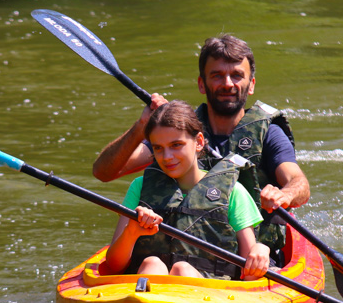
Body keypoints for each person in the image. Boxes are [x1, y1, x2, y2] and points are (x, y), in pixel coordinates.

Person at [93, 34, 309, 264]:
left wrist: (284, 194)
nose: (227, 83)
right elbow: (105, 172)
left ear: (251, 84)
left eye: (236, 75)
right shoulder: (178, 133)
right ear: (201, 84)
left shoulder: (268, 133)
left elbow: (299, 183)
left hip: (252, 252)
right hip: (173, 252)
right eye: (217, 75)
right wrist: (142, 126)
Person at [102, 100, 270, 281]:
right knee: (152, 264)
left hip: (211, 296)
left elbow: (249, 275)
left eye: (176, 145)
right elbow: (113, 265)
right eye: (158, 148)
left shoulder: (234, 192)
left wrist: (261, 250)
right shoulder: (139, 187)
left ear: (198, 142)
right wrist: (131, 232)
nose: (167, 157)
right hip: (146, 288)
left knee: (183, 270)